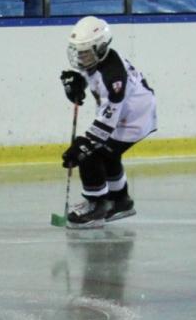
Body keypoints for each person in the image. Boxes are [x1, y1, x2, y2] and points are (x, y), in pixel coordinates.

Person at [57, 15, 157, 228]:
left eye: (85, 53)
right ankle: (120, 201)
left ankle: (97, 206)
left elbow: (107, 121)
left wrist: (85, 144)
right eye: (78, 52)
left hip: (133, 120)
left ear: (100, 48)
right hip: (127, 113)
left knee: (90, 154)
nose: (80, 58)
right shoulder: (100, 58)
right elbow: (88, 72)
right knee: (108, 153)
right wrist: (76, 80)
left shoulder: (113, 78)